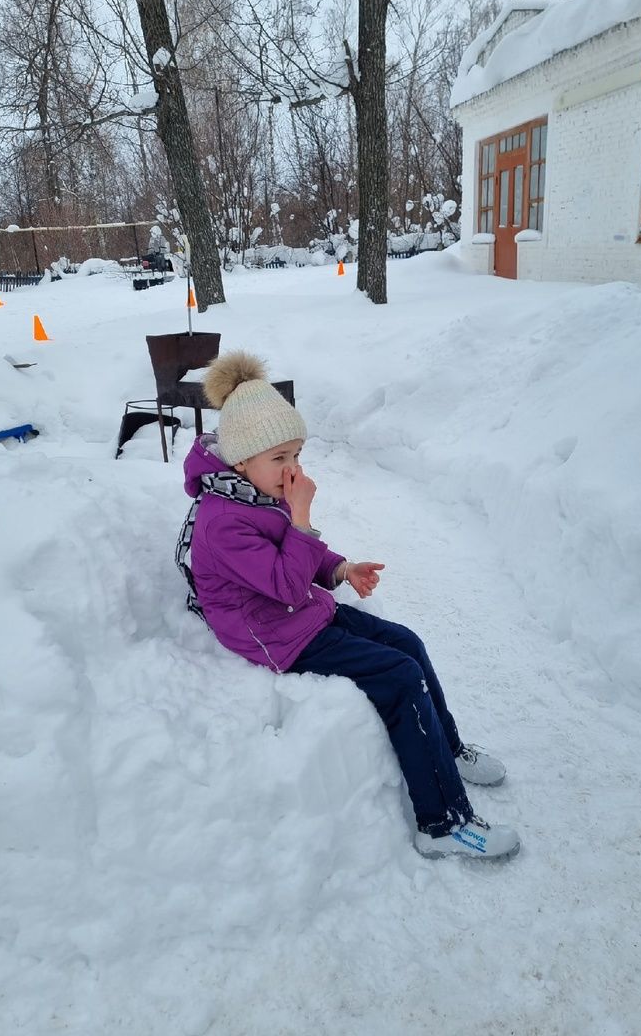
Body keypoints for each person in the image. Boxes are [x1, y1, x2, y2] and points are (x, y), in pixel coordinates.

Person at [177, 351, 520, 860]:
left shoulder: (251, 491)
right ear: (241, 459)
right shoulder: (222, 520)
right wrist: (301, 516)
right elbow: (286, 584)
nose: (292, 469)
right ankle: (442, 822)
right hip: (273, 635)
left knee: (407, 643)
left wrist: (339, 570)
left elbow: (295, 561)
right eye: (280, 459)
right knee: (400, 675)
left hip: (295, 613)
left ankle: (445, 749)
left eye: (296, 454)